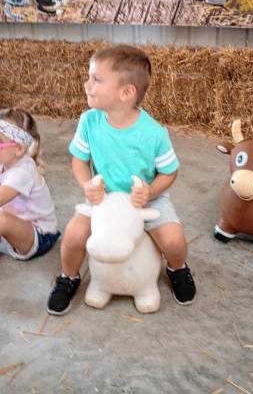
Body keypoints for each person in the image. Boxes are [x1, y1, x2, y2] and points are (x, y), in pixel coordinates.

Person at [47, 45, 196, 315]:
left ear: (126, 93)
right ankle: (69, 276)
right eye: (89, 77)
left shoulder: (153, 133)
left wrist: (150, 191)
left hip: (144, 199)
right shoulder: (89, 122)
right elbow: (79, 160)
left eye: (96, 79)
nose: (87, 84)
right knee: (73, 236)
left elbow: (170, 172)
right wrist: (87, 186)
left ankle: (178, 269)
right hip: (103, 198)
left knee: (174, 241)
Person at [0, 107, 60, 261]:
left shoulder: (23, 172)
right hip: (20, 226)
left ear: (19, 148)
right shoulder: (5, 161)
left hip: (40, 235)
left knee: (2, 220)